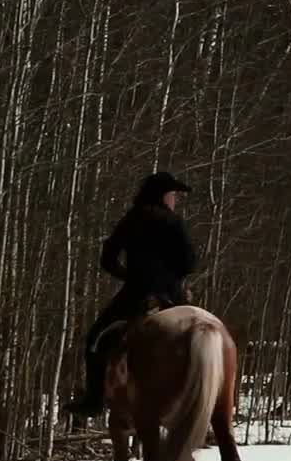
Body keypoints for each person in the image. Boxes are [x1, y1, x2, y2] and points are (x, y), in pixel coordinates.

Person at [63, 171, 198, 418]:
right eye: (173, 195)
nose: (175, 200)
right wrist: (173, 279)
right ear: (163, 196)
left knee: (95, 338)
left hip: (136, 293)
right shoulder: (173, 222)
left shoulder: (131, 219)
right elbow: (190, 263)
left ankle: (94, 399)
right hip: (172, 296)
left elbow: (108, 260)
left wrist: (130, 276)